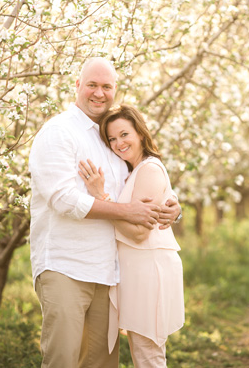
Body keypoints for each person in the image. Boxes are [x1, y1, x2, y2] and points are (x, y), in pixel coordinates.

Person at [28, 57, 181, 368]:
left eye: (107, 86)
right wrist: (126, 211)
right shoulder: (59, 131)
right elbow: (63, 199)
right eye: (92, 85)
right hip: (65, 267)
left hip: (108, 274)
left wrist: (170, 202)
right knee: (64, 360)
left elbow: (138, 182)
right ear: (77, 86)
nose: (99, 93)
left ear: (115, 90)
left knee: (102, 364)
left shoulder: (109, 139)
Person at [78, 106, 184, 368]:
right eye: (112, 139)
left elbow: (138, 232)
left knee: (148, 354)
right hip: (139, 271)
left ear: (140, 132)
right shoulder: (132, 171)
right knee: (143, 352)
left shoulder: (148, 169)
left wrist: (102, 199)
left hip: (149, 270)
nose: (118, 144)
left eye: (124, 134)